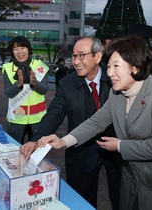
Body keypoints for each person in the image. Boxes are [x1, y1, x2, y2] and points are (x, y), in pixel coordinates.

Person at [37, 35, 152, 209]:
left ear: (134, 68)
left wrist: (120, 146)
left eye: (116, 66)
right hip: (131, 176)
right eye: (109, 66)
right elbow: (96, 122)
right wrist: (63, 141)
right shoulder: (117, 93)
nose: (109, 72)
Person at [20, 36, 121, 209]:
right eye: (74, 56)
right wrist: (36, 140)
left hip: (116, 149)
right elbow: (53, 115)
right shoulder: (67, 84)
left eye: (81, 55)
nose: (76, 61)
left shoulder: (115, 79)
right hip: (82, 149)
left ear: (98, 56)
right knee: (82, 201)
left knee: (121, 197)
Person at [2, 36, 49, 144]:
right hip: (16, 119)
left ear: (28, 49)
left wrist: (34, 83)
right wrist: (18, 84)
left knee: (37, 151)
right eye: (15, 49)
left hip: (38, 119)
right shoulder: (8, 68)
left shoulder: (40, 66)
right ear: (12, 52)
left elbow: (44, 89)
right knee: (15, 150)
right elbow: (8, 92)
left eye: (22, 47)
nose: (20, 52)